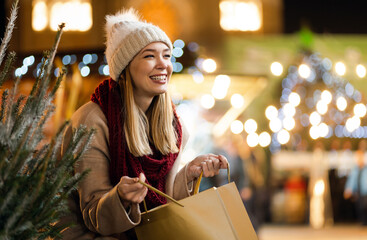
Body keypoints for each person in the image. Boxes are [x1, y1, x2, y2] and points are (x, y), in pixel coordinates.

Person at [58, 8, 228, 240]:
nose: (162, 65)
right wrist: (121, 197)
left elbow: (162, 201)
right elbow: (92, 215)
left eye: (167, 55)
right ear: (126, 66)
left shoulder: (173, 128)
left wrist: (189, 173)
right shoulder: (92, 120)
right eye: (149, 56)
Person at [344, 140, 367, 225]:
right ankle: (363, 221)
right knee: (360, 207)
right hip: (359, 191)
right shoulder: (355, 169)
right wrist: (348, 189)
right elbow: (351, 180)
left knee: (365, 206)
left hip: (365, 191)